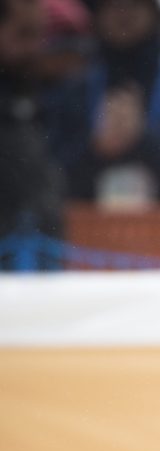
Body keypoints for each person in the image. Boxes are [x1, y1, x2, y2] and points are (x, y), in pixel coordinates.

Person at [44, 0, 160, 206]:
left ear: (153, 11)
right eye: (112, 4)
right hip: (86, 220)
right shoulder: (75, 86)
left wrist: (144, 138)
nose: (123, 13)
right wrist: (95, 147)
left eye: (134, 4)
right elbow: (52, 172)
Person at [0, 0, 63, 267]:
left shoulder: (49, 88)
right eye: (24, 33)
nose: (35, 46)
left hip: (36, 254)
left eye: (40, 34)